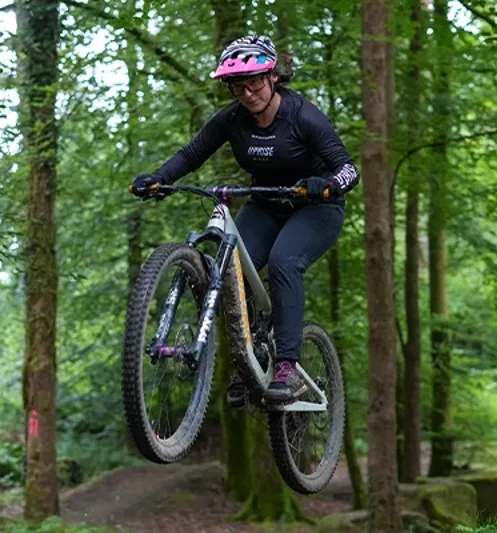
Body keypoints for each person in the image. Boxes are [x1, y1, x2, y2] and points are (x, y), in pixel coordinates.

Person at [130, 35, 360, 406]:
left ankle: (287, 365)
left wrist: (329, 186)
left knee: (285, 261)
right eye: (238, 86)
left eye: (254, 82)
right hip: (266, 203)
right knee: (233, 269)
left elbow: (349, 168)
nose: (248, 92)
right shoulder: (232, 120)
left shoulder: (303, 116)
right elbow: (192, 153)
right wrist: (159, 178)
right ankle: (253, 360)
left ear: (272, 78)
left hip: (315, 206)